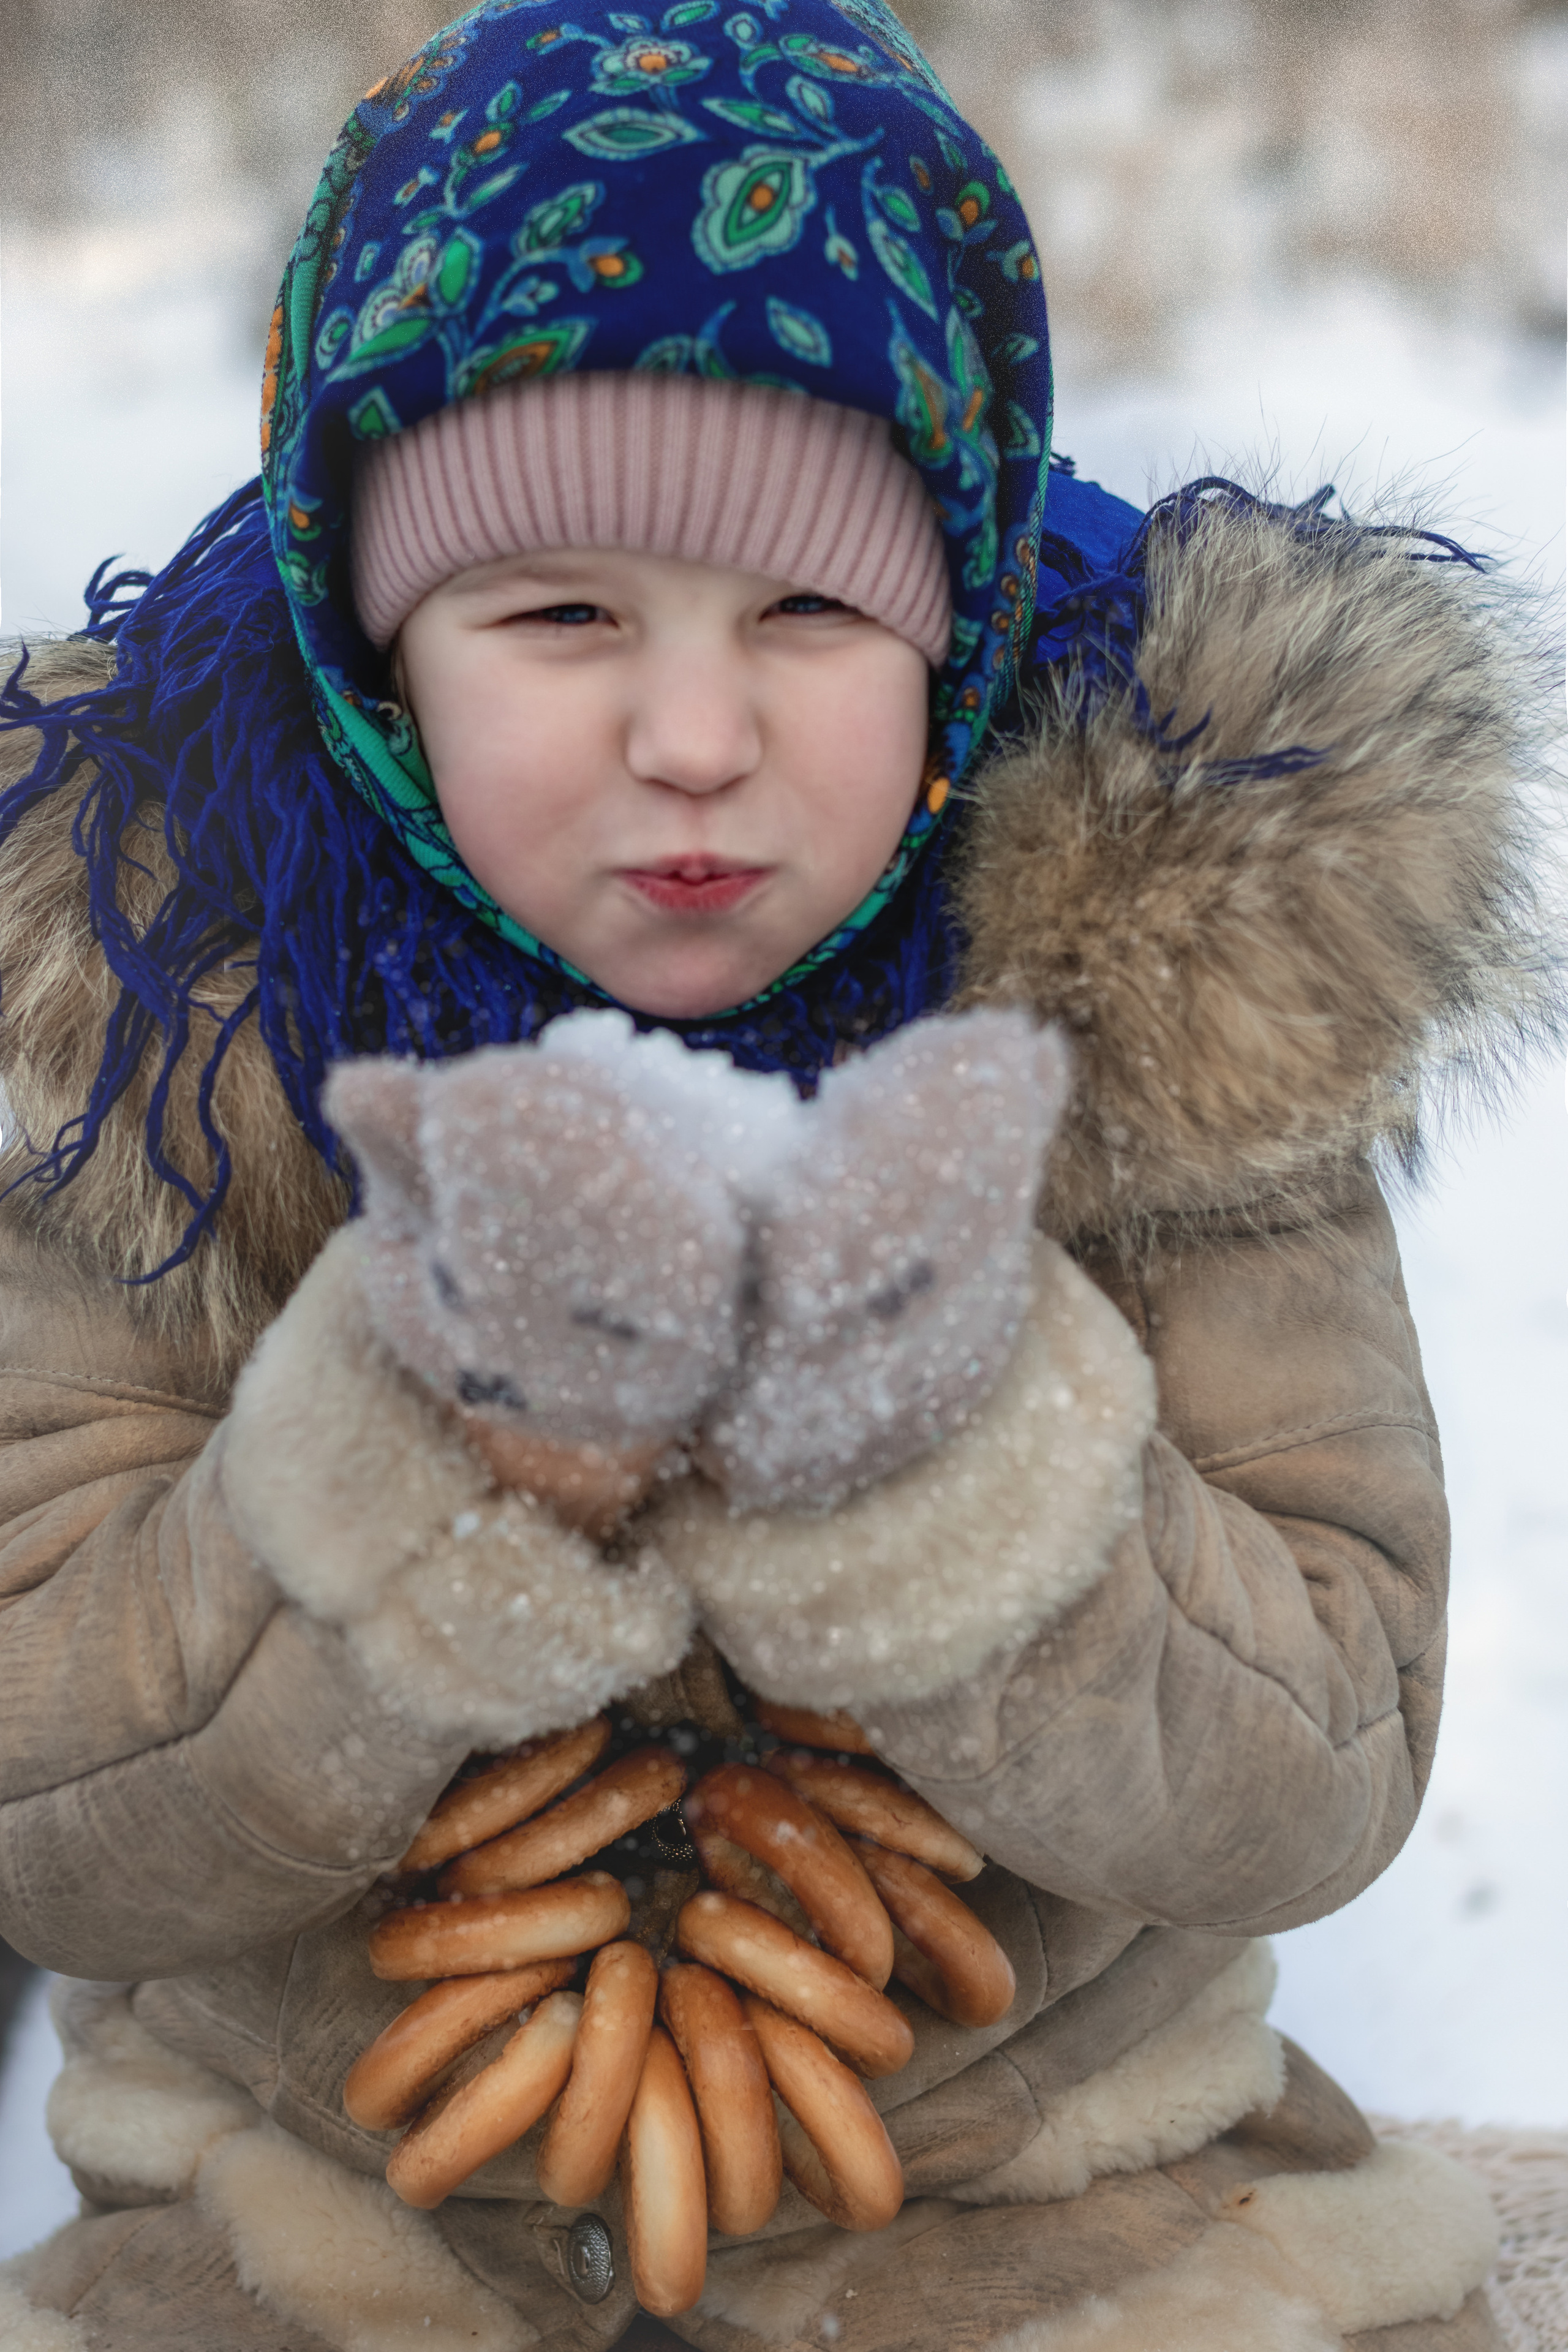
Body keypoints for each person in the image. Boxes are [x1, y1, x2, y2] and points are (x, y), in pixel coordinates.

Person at [0, 1, 1556, 2345]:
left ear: (960, 622)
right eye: (558, 618)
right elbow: (54, 1800)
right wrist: (406, 1469)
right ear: (374, 648)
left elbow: (1318, 1766)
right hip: (308, 2224)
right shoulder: (159, 1022)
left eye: (815, 614)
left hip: (1067, 2220)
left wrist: (965, 1469)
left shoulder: (1154, 1011)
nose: (698, 740)